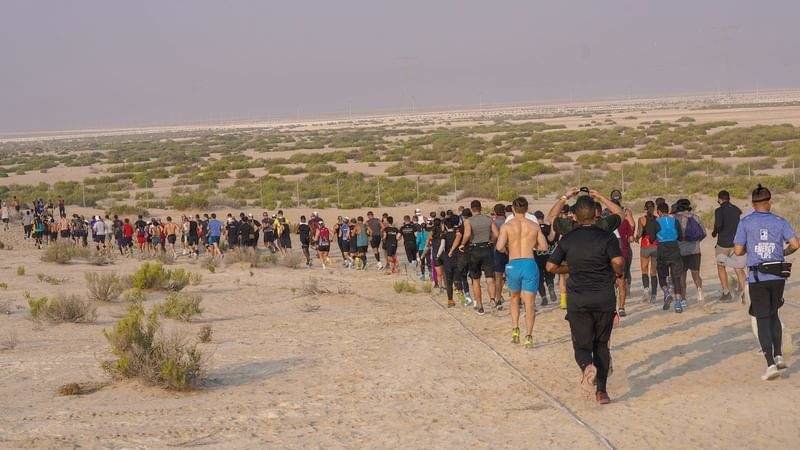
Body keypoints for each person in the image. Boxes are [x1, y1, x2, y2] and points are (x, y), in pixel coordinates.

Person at [546, 195, 625, 405]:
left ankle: (587, 366)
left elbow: (551, 267)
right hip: (603, 297)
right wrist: (616, 271)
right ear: (596, 213)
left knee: (581, 345)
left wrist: (572, 267)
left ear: (575, 215)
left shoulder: (568, 237)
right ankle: (602, 392)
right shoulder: (606, 235)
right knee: (601, 344)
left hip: (578, 299)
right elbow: (618, 261)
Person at [733, 184, 799, 381]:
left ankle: (770, 364)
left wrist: (749, 250)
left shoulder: (745, 222)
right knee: (774, 313)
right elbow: (795, 244)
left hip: (757, 276)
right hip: (778, 275)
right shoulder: (780, 221)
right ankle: (778, 355)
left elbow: (737, 251)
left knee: (761, 318)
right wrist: (781, 253)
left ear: (753, 204)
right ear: (769, 202)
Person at [496, 197, 549, 348]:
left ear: (513, 208)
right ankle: (529, 336)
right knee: (530, 303)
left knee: (514, 298)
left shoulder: (507, 226)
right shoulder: (534, 225)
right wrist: (533, 247)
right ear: (526, 209)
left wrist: (508, 248)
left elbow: (499, 247)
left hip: (513, 264)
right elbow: (544, 247)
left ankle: (515, 330)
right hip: (529, 263)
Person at [460, 200, 500, 315]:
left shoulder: (468, 221)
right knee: (489, 277)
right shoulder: (488, 219)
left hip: (474, 250)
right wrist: (491, 242)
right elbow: (497, 234)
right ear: (481, 208)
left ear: (472, 209)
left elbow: (467, 234)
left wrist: (462, 244)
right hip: (487, 248)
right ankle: (492, 298)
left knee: (475, 280)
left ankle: (480, 305)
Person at [713, 190, 747, 303]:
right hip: (736, 243)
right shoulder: (737, 210)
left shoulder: (719, 211)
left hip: (723, 243)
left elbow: (718, 225)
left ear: (719, 199)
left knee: (721, 266)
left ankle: (726, 292)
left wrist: (714, 232)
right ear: (729, 198)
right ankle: (744, 290)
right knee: (738, 267)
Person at [674, 198, 706, 304]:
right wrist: (696, 242)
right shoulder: (696, 217)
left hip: (681, 251)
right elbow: (703, 233)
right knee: (696, 274)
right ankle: (700, 293)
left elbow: (674, 235)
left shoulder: (676, 218)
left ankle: (683, 298)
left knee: (682, 276)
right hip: (696, 251)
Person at [656, 202, 686, 313]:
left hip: (662, 249)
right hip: (674, 249)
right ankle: (678, 304)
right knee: (676, 277)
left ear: (658, 212)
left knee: (661, 274)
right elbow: (680, 237)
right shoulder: (675, 221)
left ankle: (667, 293)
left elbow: (651, 237)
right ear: (668, 211)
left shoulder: (656, 221)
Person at [635, 200, 659, 303]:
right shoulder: (657, 219)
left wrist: (636, 238)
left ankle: (646, 291)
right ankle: (654, 295)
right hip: (655, 246)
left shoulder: (641, 219)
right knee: (653, 272)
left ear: (645, 208)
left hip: (645, 245)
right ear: (654, 208)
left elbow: (640, 233)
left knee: (644, 270)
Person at [533, 210, 558, 306]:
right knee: (549, 276)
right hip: (549, 257)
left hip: (537, 257)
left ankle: (544, 298)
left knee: (539, 279)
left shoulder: (535, 229)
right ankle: (550, 286)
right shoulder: (548, 228)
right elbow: (553, 240)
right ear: (543, 217)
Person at [492, 203, 510, 308]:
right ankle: (518, 298)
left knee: (498, 277)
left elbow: (494, 237)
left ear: (495, 211)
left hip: (498, 252)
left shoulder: (494, 223)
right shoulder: (509, 222)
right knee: (511, 276)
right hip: (510, 251)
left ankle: (498, 298)